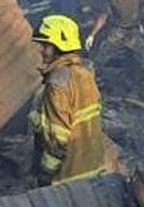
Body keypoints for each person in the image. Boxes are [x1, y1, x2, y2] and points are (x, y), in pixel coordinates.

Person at [30, 15, 107, 185]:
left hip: (67, 178)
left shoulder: (57, 83)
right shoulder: (85, 74)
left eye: (44, 45)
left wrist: (44, 174)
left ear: (59, 46)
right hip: (94, 170)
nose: (40, 50)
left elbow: (58, 138)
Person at [87, 0, 144, 100]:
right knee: (100, 59)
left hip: (133, 32)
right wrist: (92, 35)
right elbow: (104, 16)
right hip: (118, 32)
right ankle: (89, 87)